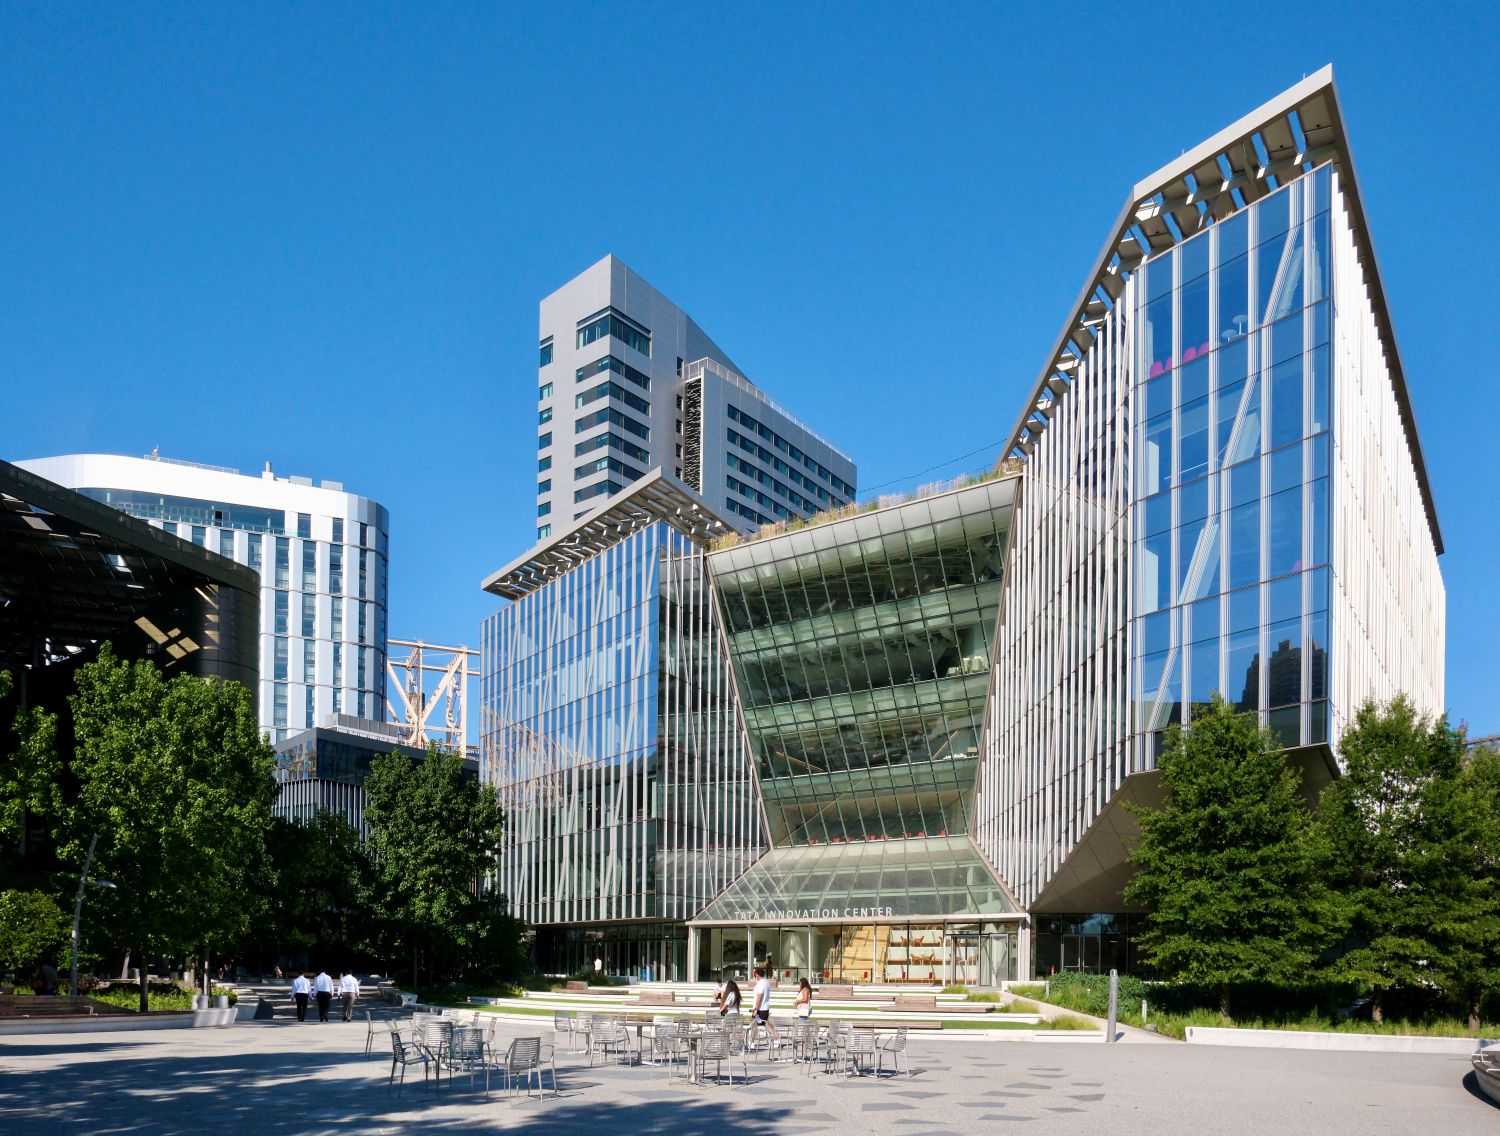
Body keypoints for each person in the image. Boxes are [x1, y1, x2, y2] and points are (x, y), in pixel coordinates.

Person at [751, 967, 775, 1043]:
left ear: (757, 975)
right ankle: (776, 1038)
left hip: (760, 1009)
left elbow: (759, 996)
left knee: (754, 1025)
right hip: (765, 1008)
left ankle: (751, 1042)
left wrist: (756, 1009)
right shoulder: (766, 982)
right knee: (765, 1024)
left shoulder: (760, 983)